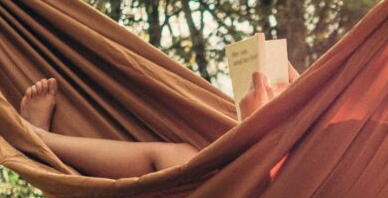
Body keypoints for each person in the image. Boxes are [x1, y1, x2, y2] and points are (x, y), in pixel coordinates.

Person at [19, 64, 299, 179]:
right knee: (181, 157)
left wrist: (255, 125)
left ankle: (40, 138)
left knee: (171, 158)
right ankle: (41, 138)